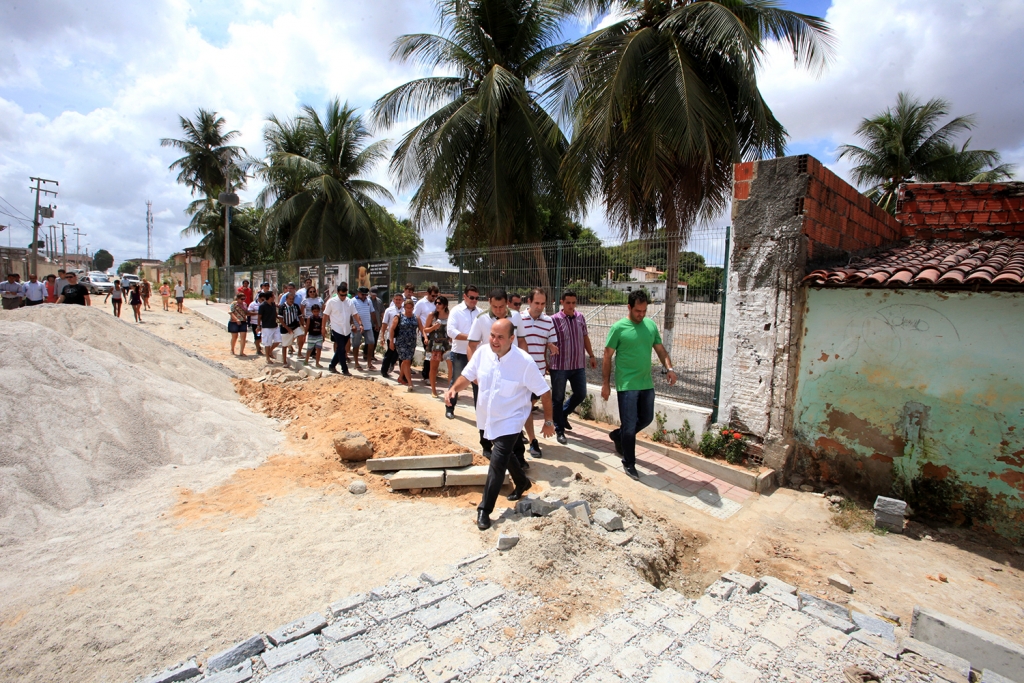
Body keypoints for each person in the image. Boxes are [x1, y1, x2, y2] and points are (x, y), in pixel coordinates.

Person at [446, 318, 554, 530]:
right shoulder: (482, 353)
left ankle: (484, 510)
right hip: (489, 416)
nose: (494, 341)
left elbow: (545, 392)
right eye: (492, 336)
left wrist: (549, 421)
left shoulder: (524, 362)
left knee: (496, 461)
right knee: (503, 453)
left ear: (511, 339)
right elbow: (467, 375)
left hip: (512, 419)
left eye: (500, 337)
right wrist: (453, 390)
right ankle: (522, 482)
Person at [602, 290, 677, 480]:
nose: (641, 314)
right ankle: (629, 462)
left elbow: (660, 349)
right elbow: (607, 356)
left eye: (644, 311)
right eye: (638, 311)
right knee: (629, 425)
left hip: (646, 383)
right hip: (626, 384)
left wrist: (669, 368)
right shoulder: (619, 328)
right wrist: (605, 384)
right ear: (629, 307)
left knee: (646, 418)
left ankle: (619, 436)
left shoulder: (650, 325)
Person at [466, 288, 529, 461]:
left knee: (512, 412)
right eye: (495, 307)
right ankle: (486, 445)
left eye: (502, 307)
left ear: (507, 303)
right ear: (489, 302)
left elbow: (522, 341)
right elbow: (471, 346)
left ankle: (518, 455)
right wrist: (475, 374)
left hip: (510, 371)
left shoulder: (516, 317)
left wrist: (525, 366)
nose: (499, 311)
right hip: (485, 372)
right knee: (484, 409)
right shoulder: (481, 319)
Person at [550, 289, 598, 445]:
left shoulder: (580, 317)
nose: (571, 306)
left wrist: (591, 355)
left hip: (578, 365)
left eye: (573, 303)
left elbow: (585, 337)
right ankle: (559, 430)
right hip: (560, 365)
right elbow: (547, 341)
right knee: (557, 398)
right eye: (568, 303)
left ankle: (563, 414)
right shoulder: (554, 320)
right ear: (562, 302)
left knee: (581, 393)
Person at [520, 287, 559, 457]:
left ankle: (521, 432)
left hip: (539, 371)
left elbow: (552, 342)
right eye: (536, 303)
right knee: (526, 405)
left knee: (528, 405)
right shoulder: (518, 319)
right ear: (529, 301)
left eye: (543, 303)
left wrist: (551, 346)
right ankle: (532, 441)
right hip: (520, 371)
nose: (539, 306)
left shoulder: (548, 322)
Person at [445, 284, 481, 420]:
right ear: (464, 296)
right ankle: (449, 408)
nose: (474, 300)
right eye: (471, 297)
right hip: (460, 353)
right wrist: (472, 337)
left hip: (476, 354)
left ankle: (481, 415)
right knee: (456, 382)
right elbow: (451, 332)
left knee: (478, 384)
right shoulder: (456, 311)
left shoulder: (480, 312)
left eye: (477, 298)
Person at [323, 282, 360, 375]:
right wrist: (323, 328)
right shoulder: (331, 302)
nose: (343, 297)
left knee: (341, 348)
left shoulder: (349, 301)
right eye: (341, 295)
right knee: (342, 349)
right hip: (336, 328)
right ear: (338, 292)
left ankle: (332, 365)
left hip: (346, 329)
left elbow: (354, 313)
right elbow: (325, 315)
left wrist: (360, 323)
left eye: (345, 295)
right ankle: (345, 369)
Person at [389, 298, 423, 392]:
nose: (409, 309)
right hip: (401, 342)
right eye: (407, 307)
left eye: (410, 308)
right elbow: (392, 329)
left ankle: (400, 377)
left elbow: (421, 328)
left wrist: (426, 337)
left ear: (413, 308)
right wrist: (391, 341)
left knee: (406, 361)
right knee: (406, 361)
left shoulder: (416, 317)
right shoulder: (399, 316)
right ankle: (410, 383)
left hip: (412, 343)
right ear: (404, 307)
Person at [424, 295, 452, 397]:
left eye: (439, 303)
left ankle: (450, 390)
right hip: (435, 344)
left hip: (447, 344)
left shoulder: (450, 315)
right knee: (434, 368)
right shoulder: (432, 315)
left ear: (445, 305)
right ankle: (433, 390)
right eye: (436, 303)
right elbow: (425, 329)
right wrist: (433, 327)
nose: (437, 305)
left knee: (451, 367)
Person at [413, 285, 439, 381]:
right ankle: (426, 375)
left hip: (436, 333)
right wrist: (421, 330)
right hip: (426, 333)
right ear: (427, 293)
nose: (434, 298)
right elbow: (416, 316)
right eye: (432, 295)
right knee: (429, 354)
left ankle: (431, 372)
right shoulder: (420, 303)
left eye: (436, 296)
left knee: (435, 354)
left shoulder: (436, 303)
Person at [351, 287, 378, 372]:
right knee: (356, 344)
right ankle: (356, 363)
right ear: (358, 293)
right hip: (357, 327)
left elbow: (372, 312)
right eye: (362, 294)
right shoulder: (353, 301)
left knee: (371, 343)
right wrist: (352, 324)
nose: (364, 296)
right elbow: (350, 314)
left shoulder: (368, 301)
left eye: (366, 295)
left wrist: (376, 323)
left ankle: (369, 363)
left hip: (368, 326)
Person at [379, 292, 404, 377]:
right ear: (393, 300)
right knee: (389, 354)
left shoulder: (405, 310)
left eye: (399, 299)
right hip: (392, 337)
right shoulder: (389, 310)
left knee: (401, 356)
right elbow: (384, 324)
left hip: (402, 337)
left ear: (402, 300)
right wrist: (382, 336)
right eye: (396, 299)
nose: (398, 301)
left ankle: (402, 375)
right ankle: (384, 371)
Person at [258, 291, 281, 364]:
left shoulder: (273, 304)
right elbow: (259, 317)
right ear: (270, 297)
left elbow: (275, 313)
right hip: (266, 327)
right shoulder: (262, 306)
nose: (274, 297)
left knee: (278, 340)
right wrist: (258, 326)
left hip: (274, 325)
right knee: (267, 343)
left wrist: (279, 318)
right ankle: (267, 358)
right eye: (273, 296)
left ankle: (270, 352)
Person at [278, 292, 302, 365]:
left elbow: (300, 315)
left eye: (292, 299)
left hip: (295, 325)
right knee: (284, 345)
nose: (291, 300)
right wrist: (287, 328)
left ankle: (299, 352)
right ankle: (284, 361)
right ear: (286, 299)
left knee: (301, 336)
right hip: (285, 327)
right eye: (290, 299)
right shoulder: (283, 307)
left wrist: (302, 323)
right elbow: (280, 319)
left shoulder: (296, 306)